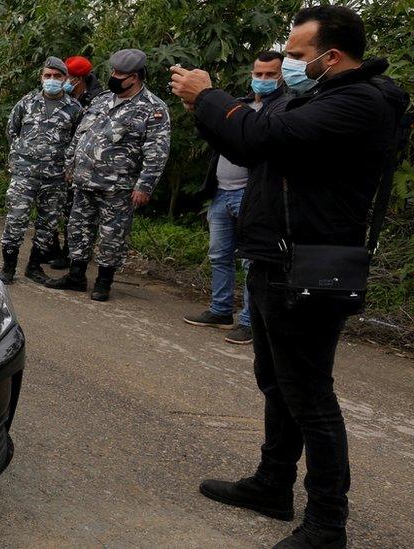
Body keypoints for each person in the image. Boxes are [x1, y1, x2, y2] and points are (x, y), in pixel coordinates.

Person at [169, 6, 408, 548]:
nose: (288, 65)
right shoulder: (323, 98)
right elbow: (253, 143)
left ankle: (327, 524)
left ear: (333, 55)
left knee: (310, 396)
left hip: (310, 269)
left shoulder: (360, 103)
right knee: (277, 383)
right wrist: (204, 107)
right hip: (277, 260)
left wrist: (209, 95)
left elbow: (259, 138)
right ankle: (272, 484)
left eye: (297, 57)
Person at [46, 48, 171, 301]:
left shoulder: (153, 108)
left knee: (112, 236)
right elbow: (81, 134)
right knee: (78, 229)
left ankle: (104, 282)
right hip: (84, 181)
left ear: (135, 77)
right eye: (113, 71)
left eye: (120, 74)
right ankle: (76, 276)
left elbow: (157, 152)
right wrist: (70, 165)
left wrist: (144, 186)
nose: (114, 77)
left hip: (118, 187)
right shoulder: (102, 100)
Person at [183, 51, 288, 346]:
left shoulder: (281, 108)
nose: (263, 79)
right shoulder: (238, 106)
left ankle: (249, 321)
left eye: (271, 74)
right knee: (219, 255)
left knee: (251, 261)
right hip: (221, 192)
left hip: (251, 195)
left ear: (282, 76)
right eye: (259, 74)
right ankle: (220, 310)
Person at [0, 57, 83, 285]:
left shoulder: (74, 109)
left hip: (55, 178)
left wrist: (69, 166)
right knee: (15, 221)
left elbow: (78, 140)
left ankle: (34, 266)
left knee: (48, 225)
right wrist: (18, 155)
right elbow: (11, 129)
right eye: (48, 76)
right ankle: (8, 267)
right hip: (24, 175)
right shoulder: (27, 103)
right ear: (41, 78)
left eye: (57, 76)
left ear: (65, 78)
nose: (52, 80)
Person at [48, 54, 107, 269]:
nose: (59, 82)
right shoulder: (67, 96)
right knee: (58, 205)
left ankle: (71, 254)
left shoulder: (96, 100)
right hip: (60, 159)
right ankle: (53, 248)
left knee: (75, 211)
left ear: (77, 80)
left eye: (65, 78)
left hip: (82, 164)